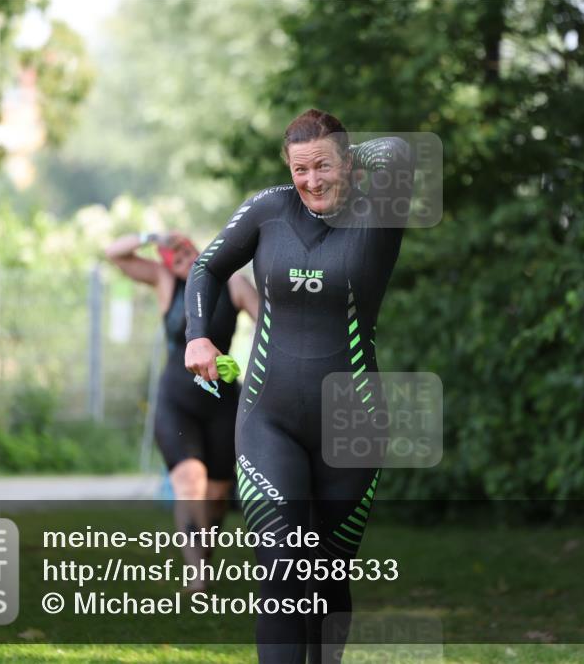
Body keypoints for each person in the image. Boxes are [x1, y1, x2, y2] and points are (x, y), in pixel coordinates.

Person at [184, 109, 414, 664]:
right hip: (269, 416)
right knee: (283, 569)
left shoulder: (378, 209)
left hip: (352, 420)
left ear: (350, 164)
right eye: (300, 170)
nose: (311, 182)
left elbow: (400, 153)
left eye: (324, 167)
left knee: (328, 577)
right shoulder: (268, 211)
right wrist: (197, 337)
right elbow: (205, 269)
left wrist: (349, 160)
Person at [105, 230, 258, 587]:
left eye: (187, 250)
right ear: (167, 265)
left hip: (223, 403)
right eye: (174, 256)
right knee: (190, 481)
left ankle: (203, 556)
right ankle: (197, 573)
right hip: (177, 402)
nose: (184, 258)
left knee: (217, 494)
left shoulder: (233, 283)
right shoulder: (164, 283)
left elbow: (271, 325)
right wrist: (151, 236)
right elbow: (115, 254)